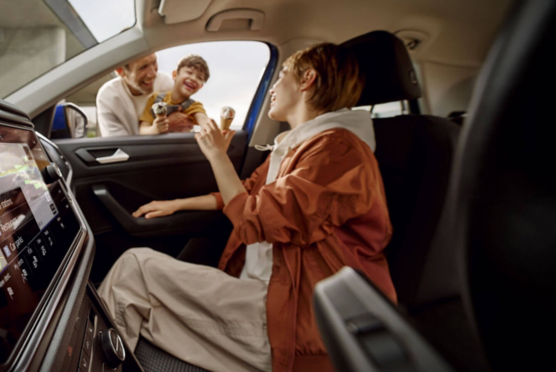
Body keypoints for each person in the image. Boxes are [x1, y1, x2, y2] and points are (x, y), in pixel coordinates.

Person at [97, 43, 397, 372]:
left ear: (307, 79)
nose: (274, 85)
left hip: (294, 319)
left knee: (133, 271)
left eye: (282, 74)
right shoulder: (301, 144)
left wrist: (217, 156)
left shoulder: (338, 151)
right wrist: (175, 204)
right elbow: (243, 194)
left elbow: (255, 215)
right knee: (138, 281)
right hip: (271, 296)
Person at [96, 54, 175, 136]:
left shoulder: (166, 83)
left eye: (154, 62)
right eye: (143, 67)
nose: (153, 74)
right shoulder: (109, 97)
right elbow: (118, 146)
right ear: (121, 71)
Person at [139, 55, 210, 135]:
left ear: (200, 87)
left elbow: (206, 125)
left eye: (199, 78)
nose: (193, 78)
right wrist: (155, 129)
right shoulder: (155, 99)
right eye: (189, 72)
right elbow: (142, 130)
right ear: (175, 75)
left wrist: (208, 128)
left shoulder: (195, 106)